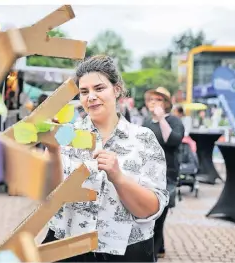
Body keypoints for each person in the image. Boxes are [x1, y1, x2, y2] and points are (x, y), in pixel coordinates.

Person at [42, 55, 169, 262]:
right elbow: (50, 197)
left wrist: (118, 178)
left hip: (126, 252)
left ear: (116, 89)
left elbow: (151, 209)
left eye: (99, 88)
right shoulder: (66, 135)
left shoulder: (143, 139)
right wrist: (53, 152)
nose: (91, 96)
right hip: (69, 249)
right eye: (84, 91)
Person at [142, 87, 185, 261]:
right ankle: (159, 248)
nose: (154, 102)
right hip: (148, 174)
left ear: (166, 103)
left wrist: (161, 119)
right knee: (151, 215)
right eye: (151, 99)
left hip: (167, 175)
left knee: (159, 215)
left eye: (158, 100)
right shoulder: (145, 122)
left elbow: (173, 140)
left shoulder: (173, 121)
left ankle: (153, 255)